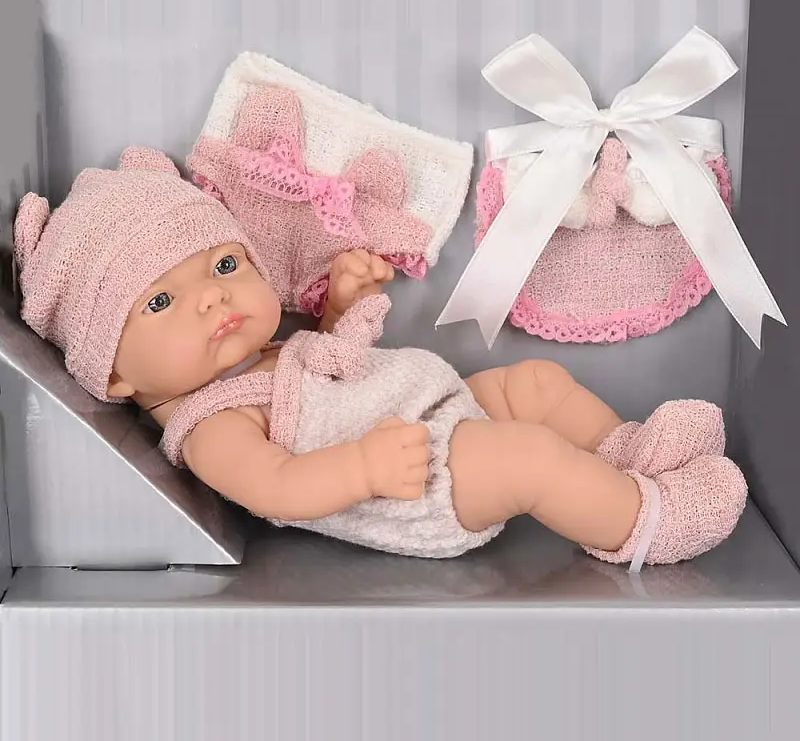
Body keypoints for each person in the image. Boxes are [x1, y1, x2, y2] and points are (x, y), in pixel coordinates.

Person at [13, 147, 747, 568]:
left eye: (225, 265)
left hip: (439, 412)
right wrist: (364, 469)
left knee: (537, 383)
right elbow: (276, 488)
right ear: (113, 372)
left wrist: (338, 309)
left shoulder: (256, 360)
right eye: (161, 303)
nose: (212, 297)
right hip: (418, 488)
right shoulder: (211, 427)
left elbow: (326, 376)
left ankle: (628, 453)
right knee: (529, 458)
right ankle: (645, 522)